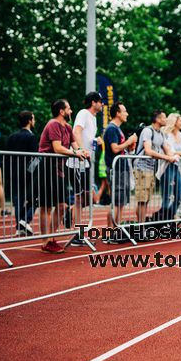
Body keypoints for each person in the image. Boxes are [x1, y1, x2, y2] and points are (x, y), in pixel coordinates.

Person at [38, 99, 89, 253]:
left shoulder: (67, 127)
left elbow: (75, 146)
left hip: (59, 170)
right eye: (69, 108)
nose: (71, 111)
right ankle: (46, 241)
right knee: (46, 207)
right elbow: (57, 148)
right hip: (46, 168)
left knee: (62, 206)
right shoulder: (53, 124)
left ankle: (52, 238)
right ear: (61, 111)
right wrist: (75, 153)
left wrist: (83, 151)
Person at [69, 91, 103, 246]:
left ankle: (70, 213)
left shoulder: (94, 118)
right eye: (100, 102)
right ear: (93, 102)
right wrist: (81, 150)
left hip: (86, 162)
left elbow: (87, 137)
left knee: (91, 198)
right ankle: (78, 234)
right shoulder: (83, 113)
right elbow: (76, 131)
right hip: (77, 162)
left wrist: (95, 141)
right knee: (79, 198)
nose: (102, 104)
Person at [134, 110, 178, 224]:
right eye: (164, 118)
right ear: (158, 119)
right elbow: (148, 151)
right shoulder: (148, 131)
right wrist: (167, 158)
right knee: (142, 200)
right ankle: (140, 227)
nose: (166, 120)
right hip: (141, 167)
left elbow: (167, 150)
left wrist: (174, 156)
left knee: (147, 199)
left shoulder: (161, 133)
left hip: (151, 169)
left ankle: (141, 225)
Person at [103, 102, 137, 232]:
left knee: (121, 202)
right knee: (116, 202)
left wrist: (130, 146)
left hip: (122, 169)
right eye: (125, 111)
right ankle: (110, 231)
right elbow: (115, 148)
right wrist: (128, 142)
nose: (127, 113)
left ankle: (116, 229)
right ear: (117, 113)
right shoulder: (112, 129)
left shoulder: (117, 129)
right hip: (116, 169)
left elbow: (120, 148)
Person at [7, 111, 39, 236]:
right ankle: (25, 220)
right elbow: (34, 158)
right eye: (34, 119)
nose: (34, 121)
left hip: (13, 172)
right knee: (35, 197)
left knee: (18, 200)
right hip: (27, 173)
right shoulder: (31, 137)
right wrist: (33, 173)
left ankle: (20, 227)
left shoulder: (12, 137)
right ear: (30, 121)